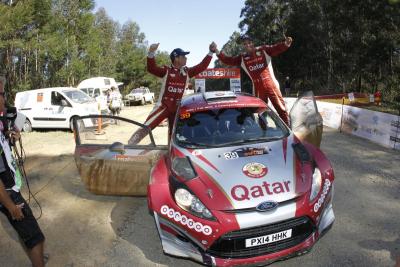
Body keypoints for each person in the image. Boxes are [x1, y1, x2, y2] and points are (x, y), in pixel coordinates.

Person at [129, 42, 217, 144]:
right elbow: (151, 68)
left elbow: (202, 66)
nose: (186, 58)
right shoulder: (166, 71)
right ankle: (129, 147)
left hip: (177, 108)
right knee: (146, 127)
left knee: (175, 133)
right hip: (163, 107)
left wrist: (211, 52)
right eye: (183, 56)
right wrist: (151, 53)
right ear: (176, 58)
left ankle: (171, 150)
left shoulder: (187, 72)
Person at [0, 76, 46, 267]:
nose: (4, 99)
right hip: (7, 192)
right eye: (1, 94)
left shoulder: (1, 123)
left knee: (26, 234)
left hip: (9, 188)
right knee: (36, 238)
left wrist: (11, 139)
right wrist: (11, 206)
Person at [215, 34, 293, 125]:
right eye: (245, 44)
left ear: (253, 42)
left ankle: (288, 130)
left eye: (249, 42)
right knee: (260, 112)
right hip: (257, 89)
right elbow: (228, 60)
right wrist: (217, 51)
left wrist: (286, 44)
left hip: (272, 85)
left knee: (281, 108)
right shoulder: (242, 58)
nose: (247, 45)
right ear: (243, 45)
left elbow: (276, 48)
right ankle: (264, 133)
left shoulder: (263, 50)